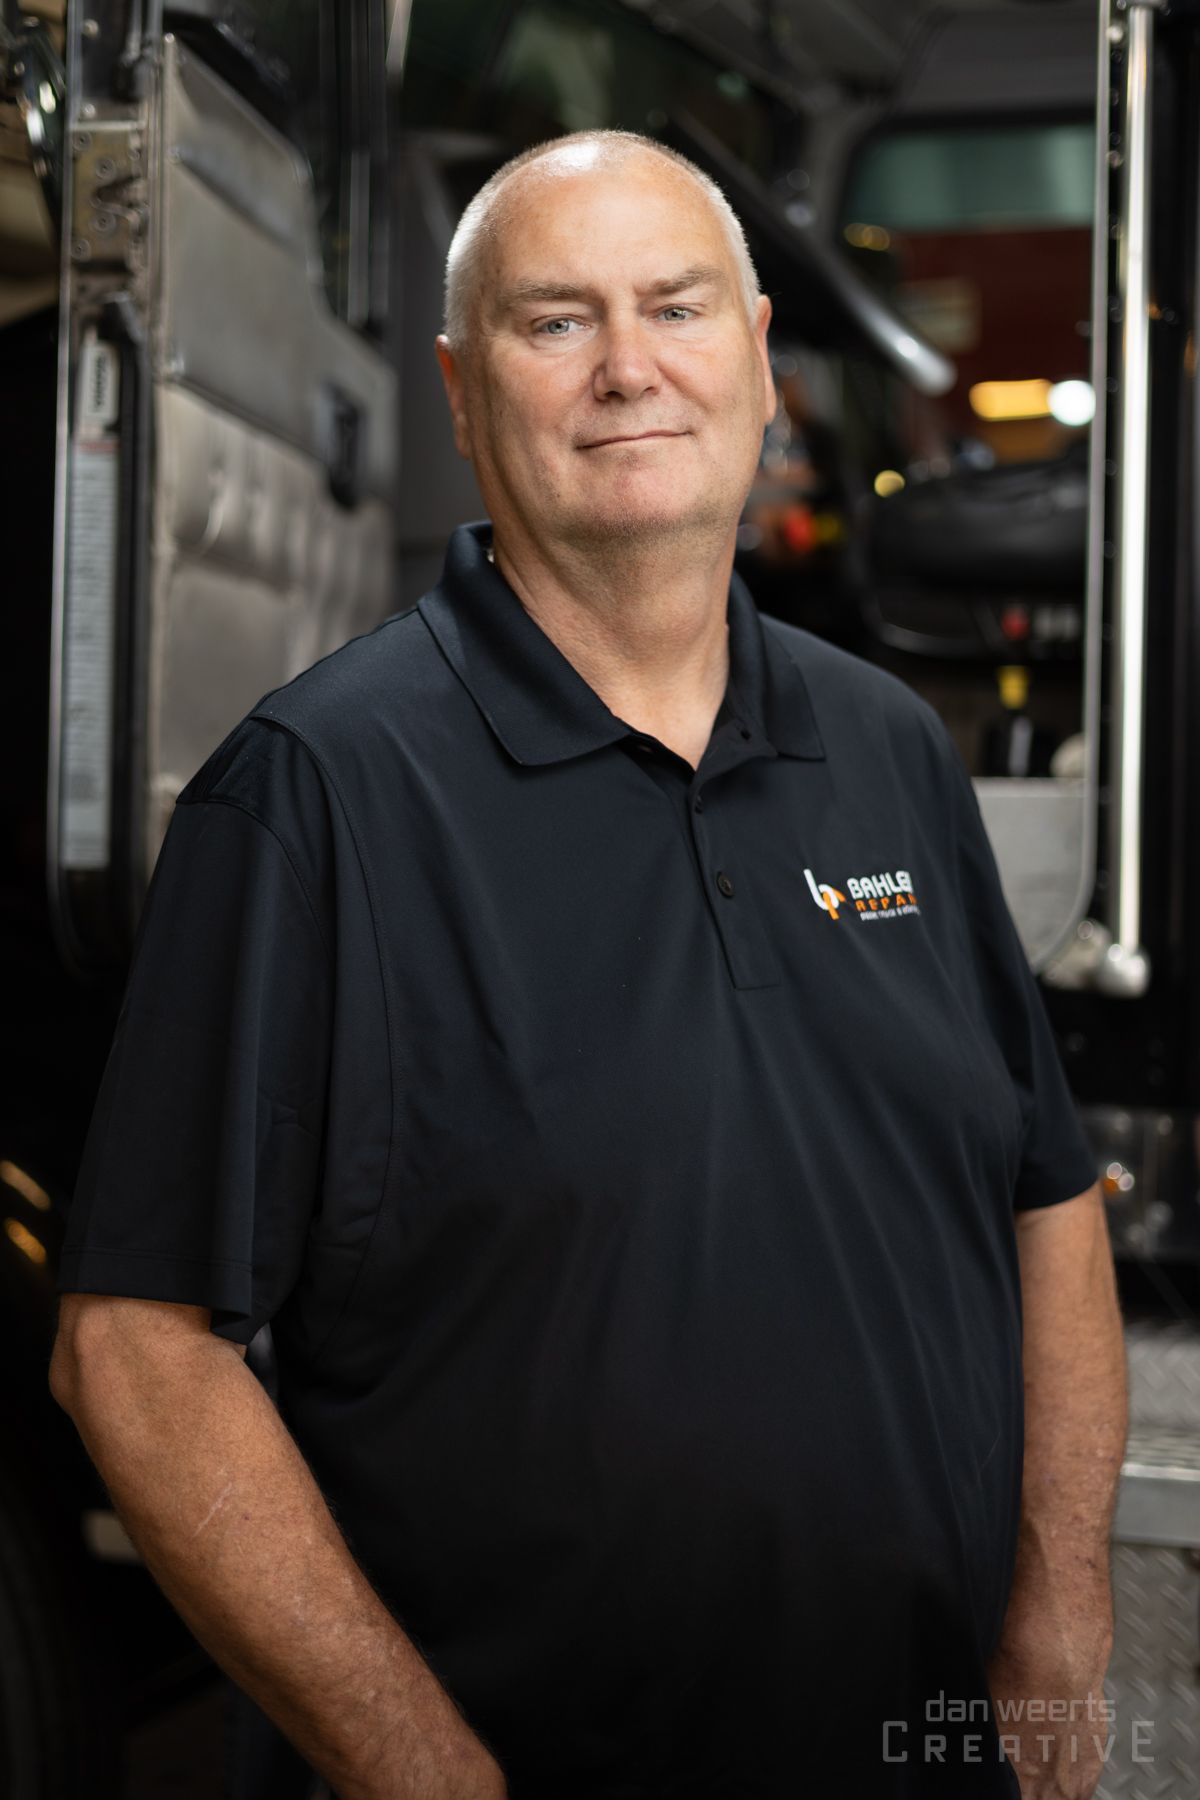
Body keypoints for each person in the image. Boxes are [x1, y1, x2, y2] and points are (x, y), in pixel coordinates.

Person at [50, 130, 1127, 1800]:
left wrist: (1057, 1624)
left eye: (675, 309)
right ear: (462, 392)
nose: (629, 368)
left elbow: (1043, 1197)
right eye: (556, 322)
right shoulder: (318, 795)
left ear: (757, 359)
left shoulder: (890, 750)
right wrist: (432, 1777)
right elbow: (134, 1350)